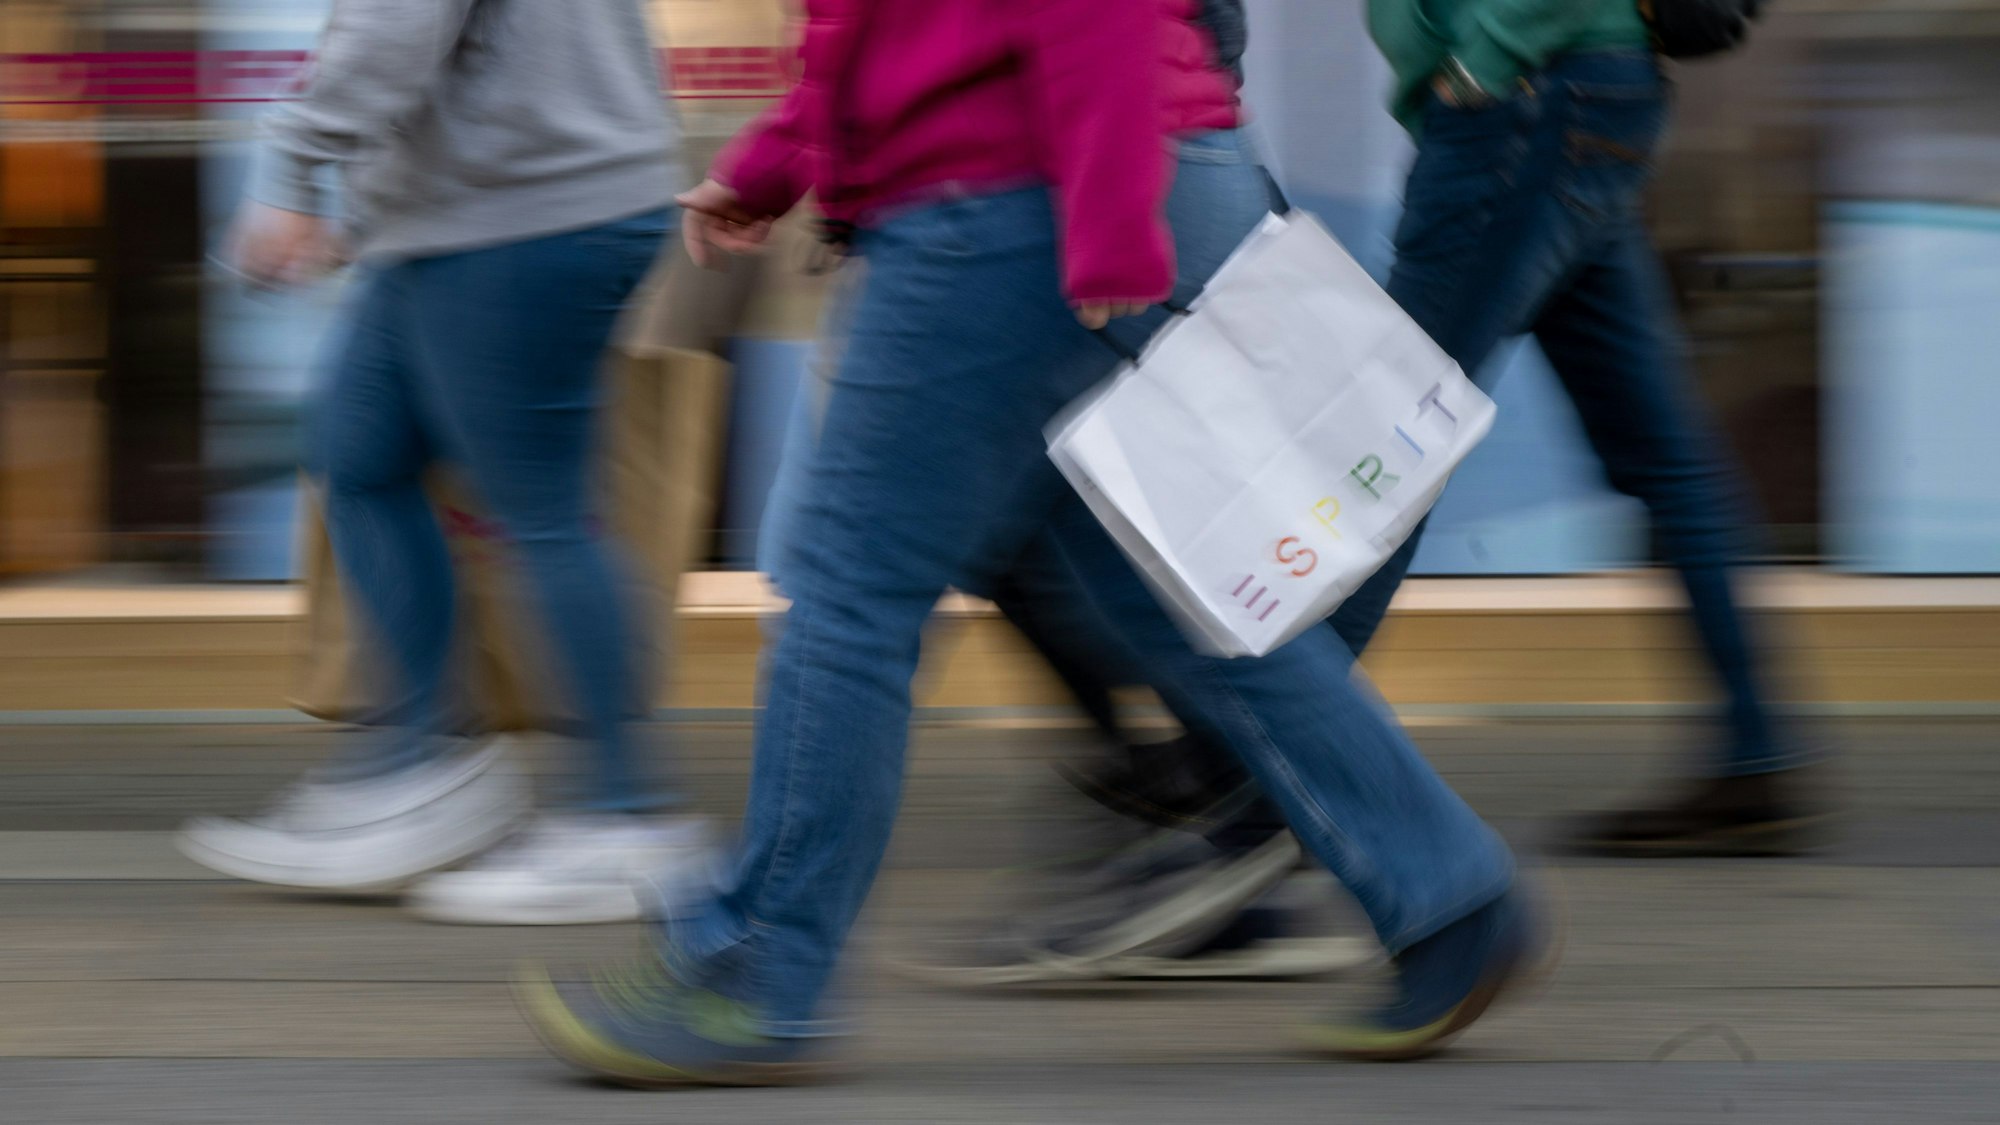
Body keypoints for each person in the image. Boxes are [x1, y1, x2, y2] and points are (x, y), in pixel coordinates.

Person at [518, 0, 1550, 1086]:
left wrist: (1109, 228)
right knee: (1164, 591)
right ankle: (1448, 900)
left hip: (1005, 202)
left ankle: (758, 967)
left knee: (849, 592)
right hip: (1023, 189)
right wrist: (777, 160)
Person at [175, 0, 709, 926]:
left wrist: (295, 172)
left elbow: (396, 24)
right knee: (361, 454)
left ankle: (623, 816)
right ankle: (422, 766)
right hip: (478, 207)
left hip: (522, 212)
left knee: (539, 508)